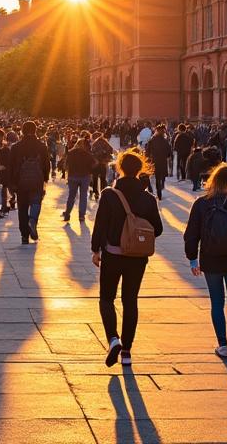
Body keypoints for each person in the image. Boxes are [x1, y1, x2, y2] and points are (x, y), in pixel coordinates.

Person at [92, 149, 163, 367]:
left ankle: (113, 339)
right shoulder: (148, 198)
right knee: (130, 300)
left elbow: (100, 225)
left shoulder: (109, 194)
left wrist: (96, 250)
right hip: (137, 257)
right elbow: (157, 229)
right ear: (140, 169)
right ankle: (127, 351)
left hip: (112, 255)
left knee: (106, 299)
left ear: (119, 168)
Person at [185, 164, 227, 361]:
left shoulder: (201, 204)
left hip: (211, 258)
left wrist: (192, 259)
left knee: (217, 302)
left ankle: (223, 345)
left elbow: (191, 234)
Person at [9, 121, 52, 244]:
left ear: (22, 131)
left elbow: (11, 166)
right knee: (36, 203)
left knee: (22, 208)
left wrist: (11, 183)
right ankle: (32, 220)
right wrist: (45, 179)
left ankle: (24, 236)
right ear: (35, 130)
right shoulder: (42, 146)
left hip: (20, 182)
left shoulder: (16, 147)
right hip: (37, 181)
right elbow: (46, 165)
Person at [64, 135, 97, 223]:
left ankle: (67, 213)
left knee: (71, 195)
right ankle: (81, 215)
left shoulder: (71, 153)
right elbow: (94, 164)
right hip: (85, 177)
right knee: (83, 196)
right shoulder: (87, 154)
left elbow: (66, 165)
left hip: (73, 176)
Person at [143, 128, 172, 199]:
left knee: (157, 178)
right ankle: (162, 184)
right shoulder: (165, 141)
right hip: (163, 161)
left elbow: (147, 152)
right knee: (161, 176)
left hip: (154, 161)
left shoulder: (152, 140)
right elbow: (169, 153)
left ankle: (159, 194)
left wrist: (148, 158)